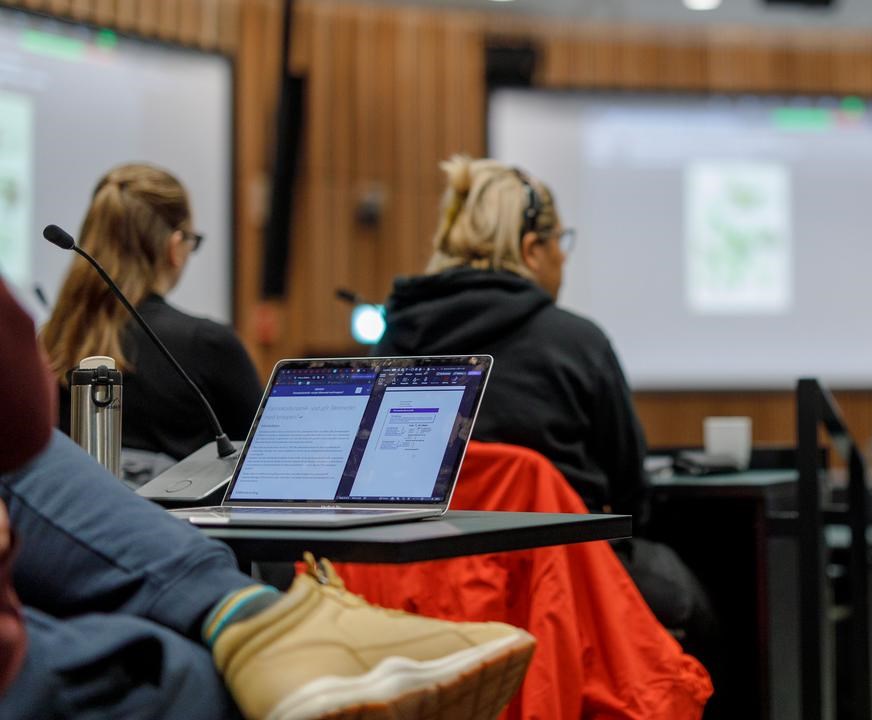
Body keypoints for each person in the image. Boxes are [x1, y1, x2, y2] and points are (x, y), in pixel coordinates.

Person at [0, 278, 535, 719]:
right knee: (204, 673)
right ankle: (276, 623)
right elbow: (20, 398)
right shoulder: (206, 342)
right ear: (175, 247)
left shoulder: (65, 332)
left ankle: (267, 624)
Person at [372, 156, 717, 669]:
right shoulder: (576, 342)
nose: (563, 257)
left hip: (419, 589)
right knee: (700, 609)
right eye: (561, 241)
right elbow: (628, 490)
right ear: (533, 250)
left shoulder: (391, 344)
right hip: (563, 587)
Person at [40, 164, 263, 477]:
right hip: (184, 526)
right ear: (175, 247)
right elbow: (263, 464)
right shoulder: (208, 344)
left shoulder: (50, 343)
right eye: (192, 241)